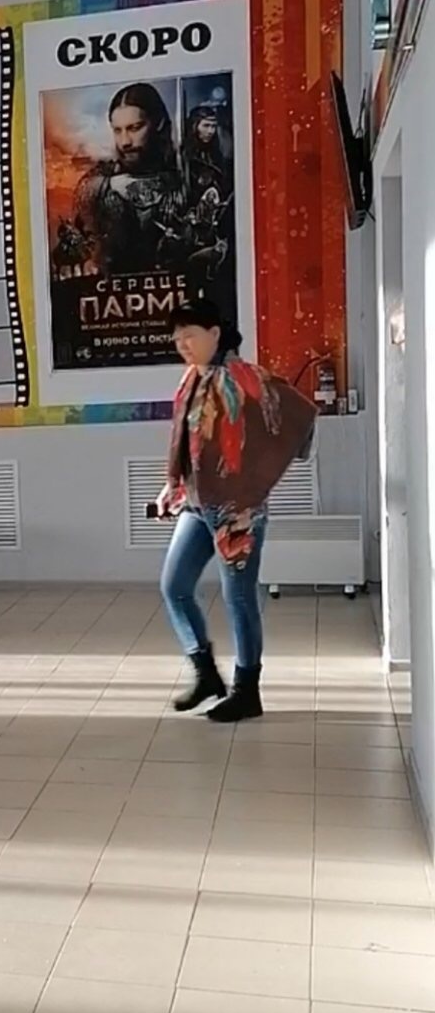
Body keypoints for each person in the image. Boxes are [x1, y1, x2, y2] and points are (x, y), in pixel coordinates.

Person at [156, 300, 315, 722]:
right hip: (196, 503)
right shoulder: (192, 378)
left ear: (214, 333)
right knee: (174, 586)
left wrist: (258, 475)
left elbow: (298, 411)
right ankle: (206, 674)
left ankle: (247, 691)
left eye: (189, 335)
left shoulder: (243, 376)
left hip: (236, 509)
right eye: (176, 338)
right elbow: (188, 442)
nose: (182, 344)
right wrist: (172, 486)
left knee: (239, 597)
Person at [75, 82, 184, 274]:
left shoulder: (183, 174)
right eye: (118, 130)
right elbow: (82, 205)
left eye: (135, 128)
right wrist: (108, 185)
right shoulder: (102, 177)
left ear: (158, 123)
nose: (125, 142)